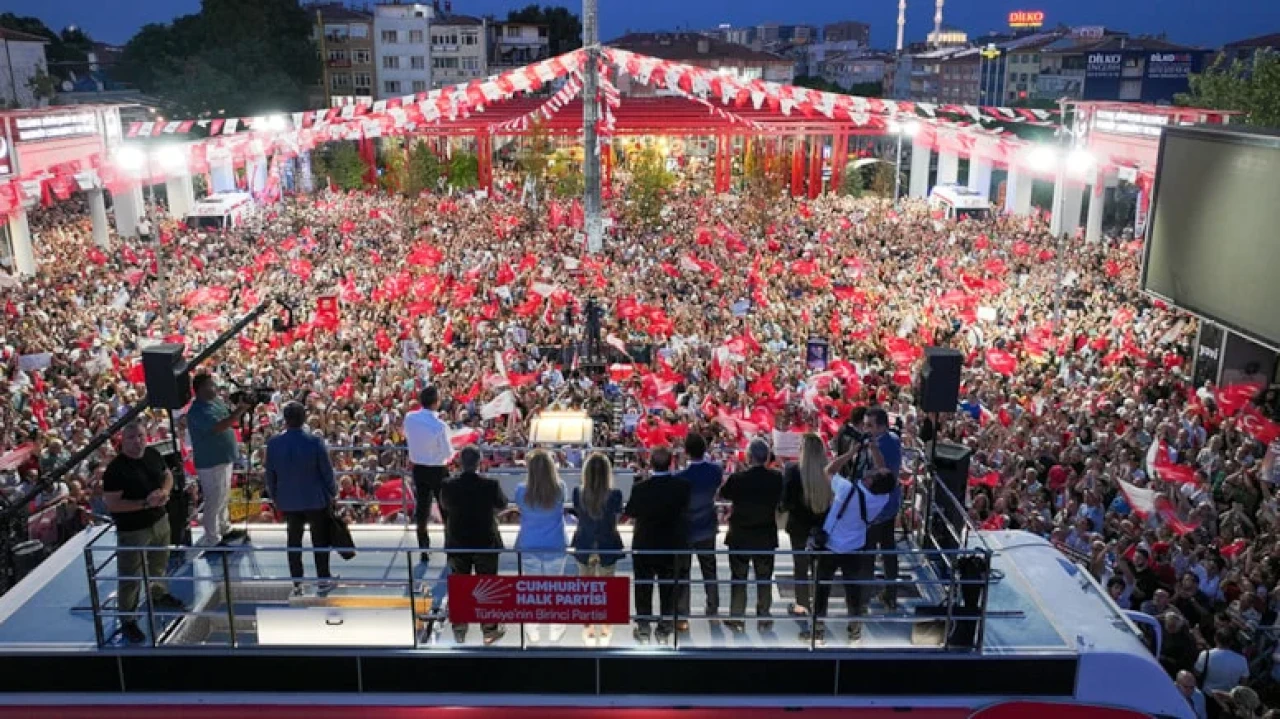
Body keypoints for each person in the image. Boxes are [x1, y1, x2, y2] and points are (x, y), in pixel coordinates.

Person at [102, 422, 185, 644]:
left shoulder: (152, 453)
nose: (137, 441)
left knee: (159, 562)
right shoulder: (115, 470)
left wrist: (165, 492)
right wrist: (145, 504)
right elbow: (113, 504)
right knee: (130, 576)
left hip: (160, 521)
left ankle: (158, 594)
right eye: (131, 438)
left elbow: (167, 474)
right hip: (133, 530)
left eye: (140, 436)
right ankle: (127, 618)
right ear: (122, 440)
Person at [808, 448, 893, 644]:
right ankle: (855, 632)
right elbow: (884, 472)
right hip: (855, 549)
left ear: (871, 480)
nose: (872, 469)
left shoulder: (847, 489)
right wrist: (873, 447)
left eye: (873, 472)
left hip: (830, 547)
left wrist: (851, 452)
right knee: (853, 591)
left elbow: (828, 470)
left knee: (822, 589)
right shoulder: (882, 498)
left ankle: (818, 631)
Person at [264, 401, 338, 595]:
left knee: (293, 541)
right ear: (304, 418)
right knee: (319, 541)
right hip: (315, 500)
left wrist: (275, 497)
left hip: (288, 501)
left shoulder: (273, 444)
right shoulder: (314, 442)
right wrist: (333, 492)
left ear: (285, 420)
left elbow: (270, 475)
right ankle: (323, 579)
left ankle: (297, 582)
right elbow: (326, 472)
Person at [441, 444, 508, 645]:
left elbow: (444, 506)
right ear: (479, 462)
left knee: (460, 586)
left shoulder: (448, 485)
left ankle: (460, 629)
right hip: (485, 542)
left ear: (460, 462)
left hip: (458, 542)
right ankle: (489, 629)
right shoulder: (491, 485)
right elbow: (502, 504)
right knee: (487, 586)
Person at [624, 445, 690, 643]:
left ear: (650, 464)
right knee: (668, 588)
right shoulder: (682, 487)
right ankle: (664, 628)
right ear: (671, 463)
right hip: (671, 546)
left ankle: (644, 628)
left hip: (645, 545)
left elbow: (631, 511)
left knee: (643, 587)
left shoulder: (640, 488)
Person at [719, 438, 785, 632]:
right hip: (765, 535)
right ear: (766, 458)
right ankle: (764, 616)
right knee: (764, 578)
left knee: (738, 578)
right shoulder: (776, 478)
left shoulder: (738, 478)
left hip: (740, 535)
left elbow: (724, 494)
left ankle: (737, 616)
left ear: (748, 457)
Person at [186, 372, 250, 547]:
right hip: (210, 462)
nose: (214, 388)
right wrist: (241, 410)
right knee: (214, 499)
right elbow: (219, 426)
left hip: (224, 458)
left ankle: (224, 527)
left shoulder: (215, 403)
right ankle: (212, 538)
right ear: (200, 389)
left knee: (223, 496)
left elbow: (227, 417)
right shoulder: (197, 411)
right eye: (210, 385)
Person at [514, 449, 567, 644]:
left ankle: (532, 629)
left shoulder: (521, 490)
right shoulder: (560, 487)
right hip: (555, 544)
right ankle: (555, 629)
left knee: (531, 590)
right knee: (555, 590)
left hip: (529, 545)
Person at [570, 452, 624, 644]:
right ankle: (607, 627)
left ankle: (589, 629)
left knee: (586, 590)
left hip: (584, 544)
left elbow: (578, 513)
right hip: (607, 545)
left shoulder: (578, 493)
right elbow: (616, 517)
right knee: (608, 588)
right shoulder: (615, 495)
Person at [781, 433, 833, 617]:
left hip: (799, 528)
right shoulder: (829, 472)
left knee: (800, 567)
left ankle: (802, 606)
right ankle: (819, 608)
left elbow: (785, 502)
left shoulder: (792, 470)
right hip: (821, 528)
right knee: (819, 569)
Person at [675, 432, 723, 628]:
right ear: (705, 450)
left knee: (683, 572)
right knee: (709, 570)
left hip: (686, 530)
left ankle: (683, 616)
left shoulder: (680, 477)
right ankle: (713, 611)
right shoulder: (715, 471)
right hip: (707, 528)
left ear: (686, 452)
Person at [404, 385, 452, 563]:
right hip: (438, 469)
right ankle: (449, 546)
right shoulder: (440, 425)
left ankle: (423, 548)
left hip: (419, 469)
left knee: (422, 508)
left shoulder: (410, 418)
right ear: (436, 402)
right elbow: (448, 453)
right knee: (445, 508)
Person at [862, 407, 903, 609]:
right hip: (891, 505)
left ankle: (865, 595)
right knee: (888, 550)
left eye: (870, 425)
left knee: (869, 551)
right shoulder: (894, 438)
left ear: (880, 425)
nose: (866, 429)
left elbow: (882, 472)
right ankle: (891, 594)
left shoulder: (882, 445)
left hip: (878, 508)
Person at [1194, 628, 1250, 695]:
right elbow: (1244, 682)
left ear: (1215, 638)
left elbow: (1197, 673)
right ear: (1231, 642)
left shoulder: (1206, 654)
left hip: (1207, 694)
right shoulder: (1242, 660)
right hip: (1227, 698)